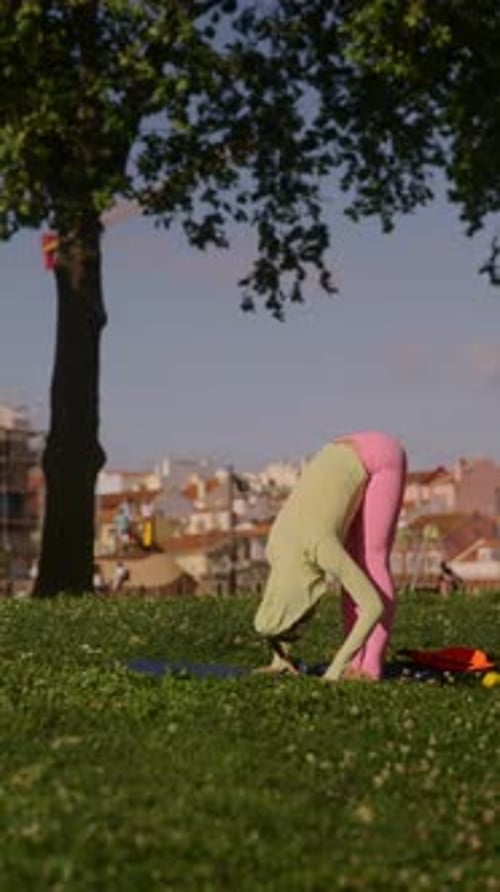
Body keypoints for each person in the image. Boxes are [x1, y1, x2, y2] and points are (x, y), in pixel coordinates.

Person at [254, 431, 407, 682]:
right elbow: (283, 600)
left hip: (380, 456)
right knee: (351, 566)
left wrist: (334, 670)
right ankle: (355, 662)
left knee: (371, 559)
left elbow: (373, 606)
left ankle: (369, 667)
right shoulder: (276, 548)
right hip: (339, 450)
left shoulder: (320, 546)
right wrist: (280, 660)